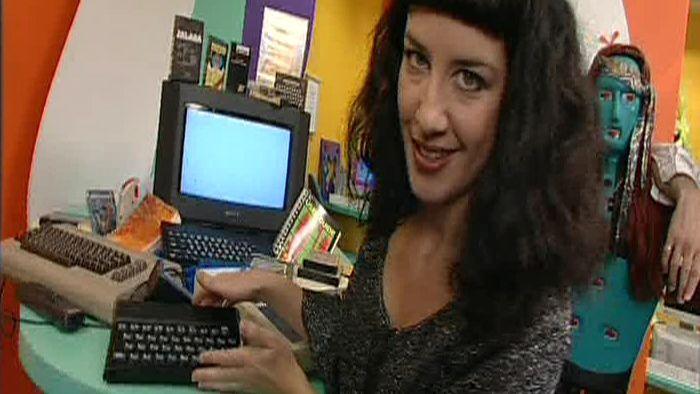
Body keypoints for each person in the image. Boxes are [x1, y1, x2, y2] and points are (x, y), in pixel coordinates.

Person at [190, 0, 608, 392]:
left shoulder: (531, 320)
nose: (426, 115)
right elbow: (353, 344)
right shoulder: (401, 219)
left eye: (469, 79)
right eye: (418, 59)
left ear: (526, 105)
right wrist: (264, 285)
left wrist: (292, 389)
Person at [559, 44, 700, 393]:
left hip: (612, 372)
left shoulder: (657, 195)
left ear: (644, 108)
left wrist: (690, 196)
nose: (616, 113)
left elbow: (671, 161)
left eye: (629, 99)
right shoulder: (560, 177)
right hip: (547, 363)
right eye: (606, 94)